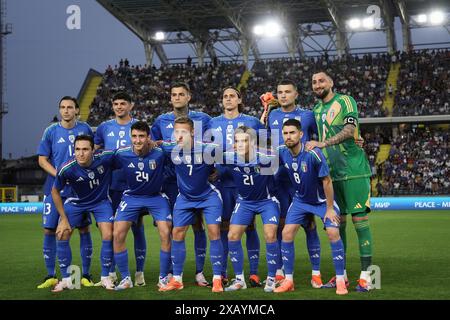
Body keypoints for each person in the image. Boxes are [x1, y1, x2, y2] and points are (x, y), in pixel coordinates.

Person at [306, 71, 373, 292]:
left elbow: (350, 129)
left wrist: (324, 144)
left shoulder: (345, 100)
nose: (317, 84)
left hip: (354, 170)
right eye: (314, 82)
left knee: (359, 221)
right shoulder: (316, 110)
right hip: (332, 175)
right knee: (337, 223)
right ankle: (340, 275)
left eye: (321, 80)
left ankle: (366, 276)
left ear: (331, 82)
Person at [260, 79, 324, 288]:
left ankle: (316, 273)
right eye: (280, 92)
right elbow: (265, 141)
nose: (284, 95)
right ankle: (280, 271)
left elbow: (321, 137)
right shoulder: (273, 115)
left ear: (296, 94)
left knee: (310, 225)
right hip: (279, 178)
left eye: (288, 91)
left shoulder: (307, 115)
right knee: (280, 225)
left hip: (303, 177)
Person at [274, 119, 347, 295]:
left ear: (301, 134)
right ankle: (288, 280)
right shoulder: (282, 152)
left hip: (322, 202)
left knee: (333, 232)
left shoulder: (313, 153)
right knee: (286, 233)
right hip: (300, 201)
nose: (288, 136)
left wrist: (329, 208)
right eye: (285, 133)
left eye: (292, 133)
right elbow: (261, 153)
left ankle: (340, 280)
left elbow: (327, 181)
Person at [151, 82, 211, 287]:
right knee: (170, 228)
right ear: (170, 98)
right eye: (173, 94)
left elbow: (211, 147)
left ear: (189, 97)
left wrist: (210, 172)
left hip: (194, 178)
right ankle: (170, 273)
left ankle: (199, 271)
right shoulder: (161, 121)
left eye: (181, 94)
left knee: (197, 224)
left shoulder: (203, 119)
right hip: (169, 180)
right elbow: (154, 147)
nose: (177, 97)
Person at [159, 117, 224, 293]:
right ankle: (177, 279)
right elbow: (152, 145)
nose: (179, 136)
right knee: (177, 233)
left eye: (183, 132)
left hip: (208, 196)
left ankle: (217, 279)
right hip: (185, 197)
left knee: (214, 232)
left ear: (193, 132)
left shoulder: (207, 149)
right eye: (176, 132)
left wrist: (217, 171)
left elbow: (227, 155)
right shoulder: (170, 148)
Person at [208, 86, 264, 287]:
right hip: (222, 183)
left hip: (245, 181)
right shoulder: (212, 123)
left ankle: (254, 272)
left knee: (249, 226)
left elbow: (267, 146)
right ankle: (222, 272)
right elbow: (206, 150)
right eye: (225, 96)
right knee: (223, 228)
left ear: (239, 99)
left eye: (232, 96)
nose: (228, 99)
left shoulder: (252, 122)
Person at [37, 96, 94, 289]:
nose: (66, 110)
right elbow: (42, 160)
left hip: (80, 189)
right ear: (60, 110)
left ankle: (85, 274)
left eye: (70, 107)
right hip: (55, 188)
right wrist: (60, 175)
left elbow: (92, 153)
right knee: (49, 229)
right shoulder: (51, 130)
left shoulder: (85, 129)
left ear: (77, 110)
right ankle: (51, 275)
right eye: (62, 107)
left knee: (84, 229)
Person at [94, 92, 147, 286]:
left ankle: (139, 272)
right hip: (112, 186)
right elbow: (95, 150)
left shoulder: (139, 125)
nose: (118, 107)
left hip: (135, 185)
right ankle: (111, 274)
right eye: (115, 103)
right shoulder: (104, 127)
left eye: (122, 103)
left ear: (130, 105)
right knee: (113, 230)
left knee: (137, 227)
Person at [112, 121, 172, 290]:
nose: (137, 140)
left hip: (156, 197)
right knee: (117, 233)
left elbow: (179, 148)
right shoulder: (121, 154)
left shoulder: (160, 152)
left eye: (141, 136)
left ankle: (163, 277)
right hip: (132, 197)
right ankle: (125, 278)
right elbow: (102, 162)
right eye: (134, 136)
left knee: (166, 231)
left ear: (148, 137)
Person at [219, 126, 280, 293]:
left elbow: (282, 154)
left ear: (252, 142)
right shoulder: (228, 157)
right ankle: (239, 279)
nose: (240, 144)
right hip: (245, 202)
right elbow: (205, 154)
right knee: (232, 235)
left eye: (244, 140)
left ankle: (272, 278)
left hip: (266, 201)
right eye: (237, 141)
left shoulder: (265, 158)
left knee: (270, 234)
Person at [50, 135, 115, 292]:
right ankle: (66, 280)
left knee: (108, 234)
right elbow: (55, 192)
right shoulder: (66, 168)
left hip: (101, 202)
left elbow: (127, 154)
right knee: (62, 233)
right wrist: (64, 219)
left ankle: (105, 277)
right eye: (77, 149)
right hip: (76, 203)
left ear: (93, 150)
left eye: (85, 149)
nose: (80, 153)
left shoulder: (105, 157)